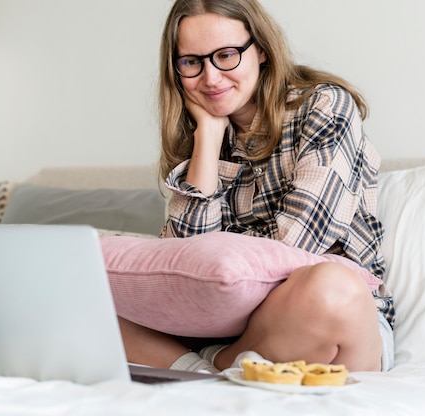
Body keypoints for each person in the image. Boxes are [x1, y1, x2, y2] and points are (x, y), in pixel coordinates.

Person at [118, 0, 395, 374]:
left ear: (261, 49)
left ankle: (210, 367)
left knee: (335, 287)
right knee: (81, 294)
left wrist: (222, 278)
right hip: (213, 330)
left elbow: (295, 246)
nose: (211, 78)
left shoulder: (325, 107)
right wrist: (209, 139)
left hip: (313, 320)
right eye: (191, 62)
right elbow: (184, 265)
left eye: (227, 55)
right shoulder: (199, 134)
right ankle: (215, 373)